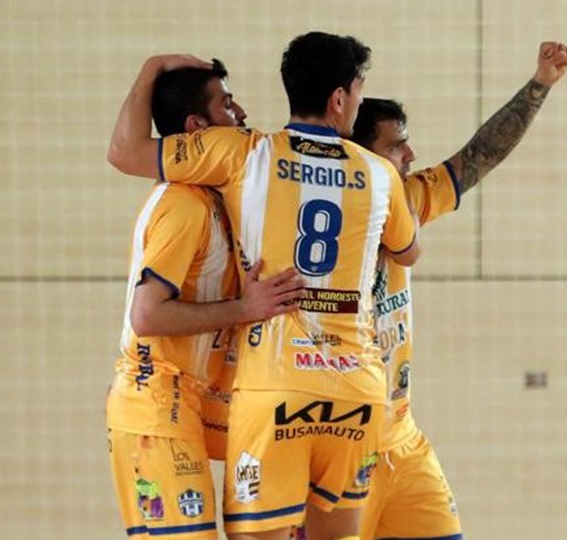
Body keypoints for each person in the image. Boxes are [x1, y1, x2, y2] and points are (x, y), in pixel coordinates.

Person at [108, 31, 420, 540]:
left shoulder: (242, 154)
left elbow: (125, 151)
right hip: (358, 389)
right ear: (339, 99)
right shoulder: (381, 172)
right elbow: (408, 251)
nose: (240, 110)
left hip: (272, 387)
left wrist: (151, 68)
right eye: (228, 103)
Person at [306, 41, 567, 540]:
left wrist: (539, 85)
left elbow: (476, 158)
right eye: (396, 146)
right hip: (338, 445)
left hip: (403, 442)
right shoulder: (316, 217)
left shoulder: (406, 197)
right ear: (364, 157)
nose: (410, 155)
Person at [105, 56, 305, 540]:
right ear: (197, 128)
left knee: (299, 474)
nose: (242, 115)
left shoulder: (218, 196)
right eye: (228, 104)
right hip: (158, 400)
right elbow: (147, 314)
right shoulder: (183, 204)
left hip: (201, 398)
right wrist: (247, 307)